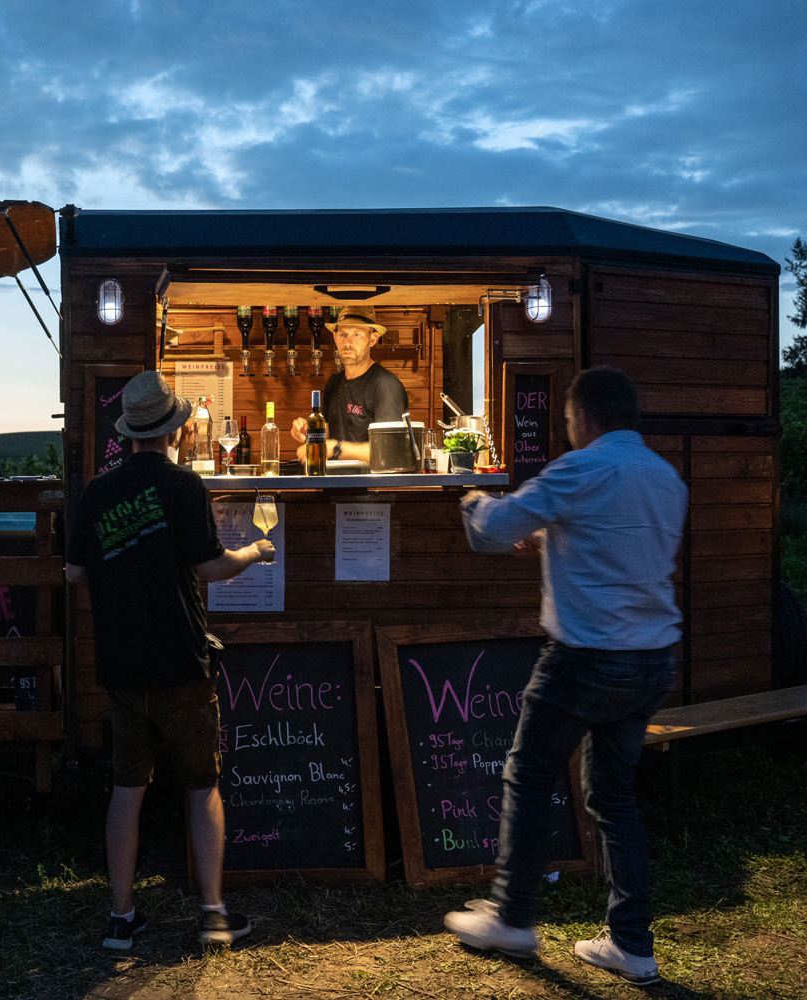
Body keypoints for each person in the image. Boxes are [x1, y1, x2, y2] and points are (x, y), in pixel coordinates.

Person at [443, 366, 688, 987]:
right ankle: (632, 945)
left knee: (528, 775)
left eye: (570, 419)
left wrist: (470, 494)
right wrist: (552, 531)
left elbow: (493, 531)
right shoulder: (666, 478)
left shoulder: (580, 468)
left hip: (586, 657)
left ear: (583, 417)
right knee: (613, 798)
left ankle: (513, 915)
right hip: (653, 656)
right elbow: (616, 545)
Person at [66, 371, 275, 951]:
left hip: (122, 663)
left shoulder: (98, 492)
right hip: (181, 658)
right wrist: (255, 552)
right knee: (202, 785)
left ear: (131, 432)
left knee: (126, 787)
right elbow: (210, 568)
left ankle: (121, 917)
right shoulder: (185, 487)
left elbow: (76, 572)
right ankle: (212, 914)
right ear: (177, 430)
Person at [289, 305, 408, 466]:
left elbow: (389, 450)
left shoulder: (386, 386)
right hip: (333, 486)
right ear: (335, 337)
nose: (348, 342)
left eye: (357, 334)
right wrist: (308, 431)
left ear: (372, 339)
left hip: (374, 490)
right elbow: (326, 437)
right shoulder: (334, 383)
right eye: (343, 334)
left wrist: (336, 449)